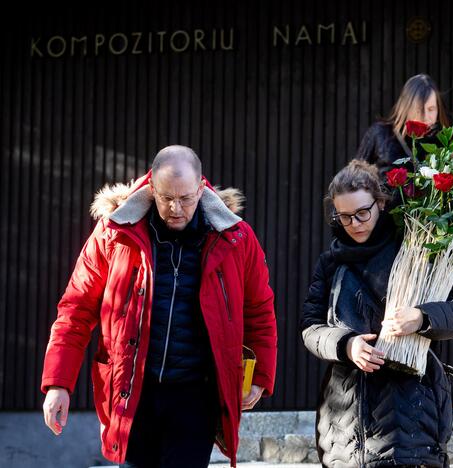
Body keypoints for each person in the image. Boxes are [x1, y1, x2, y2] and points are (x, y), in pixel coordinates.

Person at [41, 145, 277, 467]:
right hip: (132, 392)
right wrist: (58, 382)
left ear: (201, 188)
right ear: (152, 187)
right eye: (166, 198)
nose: (176, 209)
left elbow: (259, 309)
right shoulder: (114, 233)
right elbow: (76, 309)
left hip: (197, 396)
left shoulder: (235, 239)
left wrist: (261, 374)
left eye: (186, 198)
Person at [301, 160, 453, 467]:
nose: (355, 223)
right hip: (343, 414)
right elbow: (310, 328)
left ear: (380, 203)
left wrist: (422, 318)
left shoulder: (417, 250)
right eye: (344, 217)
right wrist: (346, 345)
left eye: (362, 213)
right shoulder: (330, 262)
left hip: (411, 412)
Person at [356, 73, 450, 181]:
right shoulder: (380, 133)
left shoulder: (442, 143)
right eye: (419, 109)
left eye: (431, 109)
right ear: (407, 107)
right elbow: (352, 177)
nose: (425, 117)